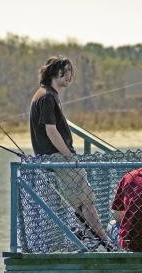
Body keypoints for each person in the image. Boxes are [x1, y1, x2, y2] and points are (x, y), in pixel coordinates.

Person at [29, 55, 110, 248]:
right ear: (55, 73)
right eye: (66, 72)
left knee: (81, 201)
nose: (69, 76)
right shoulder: (47, 97)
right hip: (58, 157)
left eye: (71, 72)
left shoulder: (45, 94)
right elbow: (51, 130)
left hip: (52, 157)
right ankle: (106, 241)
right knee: (87, 201)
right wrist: (69, 156)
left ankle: (89, 234)